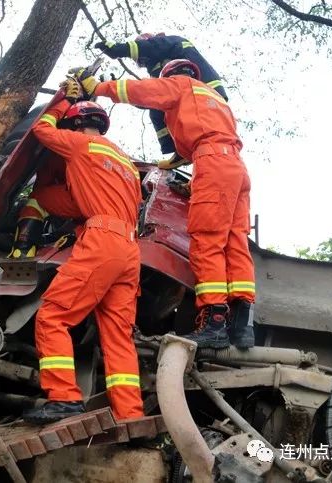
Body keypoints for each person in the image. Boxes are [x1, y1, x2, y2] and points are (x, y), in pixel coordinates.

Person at [75, 59, 255, 349]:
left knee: (207, 240)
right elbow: (204, 138)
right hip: (235, 167)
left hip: (211, 162)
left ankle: (214, 323)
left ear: (171, 76)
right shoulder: (216, 101)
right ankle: (241, 326)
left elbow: (143, 92)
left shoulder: (181, 85)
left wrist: (99, 87)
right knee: (235, 242)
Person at [22, 82, 144, 424]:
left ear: (75, 125)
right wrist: (47, 198)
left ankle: (64, 397)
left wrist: (63, 101)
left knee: (53, 316)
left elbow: (41, 129)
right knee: (118, 337)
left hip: (102, 241)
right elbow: (79, 201)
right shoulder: (128, 167)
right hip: (130, 251)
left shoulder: (80, 144)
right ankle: (130, 415)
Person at [95, 33, 227, 169]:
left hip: (203, 91)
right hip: (205, 98)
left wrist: (118, 49)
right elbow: (148, 97)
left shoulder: (167, 43)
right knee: (159, 111)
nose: (145, 63)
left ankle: (182, 150)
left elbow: (150, 48)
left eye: (143, 59)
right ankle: (184, 150)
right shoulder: (162, 65)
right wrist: (113, 84)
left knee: (158, 110)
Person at [8, 152, 83, 259]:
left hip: (80, 198)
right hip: (104, 206)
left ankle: (22, 252)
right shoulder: (105, 151)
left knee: (36, 201)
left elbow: (41, 185)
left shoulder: (55, 154)